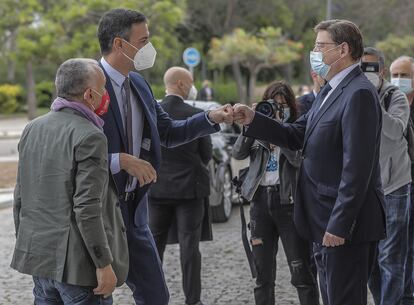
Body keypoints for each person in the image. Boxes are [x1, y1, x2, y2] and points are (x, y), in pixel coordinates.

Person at [233, 19, 386, 305]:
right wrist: (254, 119)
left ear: (342, 50)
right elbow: (295, 134)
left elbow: (357, 169)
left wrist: (339, 225)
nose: (314, 53)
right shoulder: (331, 90)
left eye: (319, 46)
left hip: (343, 227)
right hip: (321, 220)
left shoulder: (359, 93)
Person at [97, 9, 233, 305]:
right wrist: (119, 159)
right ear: (120, 44)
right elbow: (73, 153)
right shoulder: (88, 83)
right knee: (94, 295)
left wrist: (211, 117)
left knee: (156, 295)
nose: (149, 48)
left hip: (135, 211)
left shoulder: (140, 85)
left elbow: (168, 132)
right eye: (143, 40)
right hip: (99, 211)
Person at [11, 58, 129, 304]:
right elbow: (87, 208)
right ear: (89, 94)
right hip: (80, 269)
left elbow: (20, 197)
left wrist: (31, 248)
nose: (106, 93)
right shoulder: (91, 135)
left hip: (41, 263)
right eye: (104, 87)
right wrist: (103, 264)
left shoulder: (32, 128)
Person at [232, 80, 320, 305]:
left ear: (290, 106)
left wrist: (280, 131)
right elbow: (238, 153)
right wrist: (252, 124)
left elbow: (299, 160)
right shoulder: (258, 126)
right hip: (260, 203)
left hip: (288, 201)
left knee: (301, 272)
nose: (279, 109)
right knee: (262, 276)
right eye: (274, 104)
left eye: (283, 105)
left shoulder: (297, 129)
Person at [149, 67, 213, 305]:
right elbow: (206, 154)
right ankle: (193, 300)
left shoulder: (152, 113)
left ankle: (152, 298)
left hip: (157, 189)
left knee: (154, 247)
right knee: (190, 246)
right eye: (191, 82)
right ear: (181, 84)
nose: (192, 86)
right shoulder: (196, 113)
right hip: (190, 189)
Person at [360, 48, 412, 305]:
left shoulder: (395, 96)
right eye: (361, 68)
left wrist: (373, 101)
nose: (365, 74)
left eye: (370, 68)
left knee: (391, 257)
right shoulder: (352, 96)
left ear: (381, 71)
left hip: (395, 185)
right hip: (364, 187)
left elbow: (395, 131)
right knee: (370, 259)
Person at [390, 55, 414, 305]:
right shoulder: (387, 105)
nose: (398, 80)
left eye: (404, 75)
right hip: (394, 187)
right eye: (395, 75)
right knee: (394, 253)